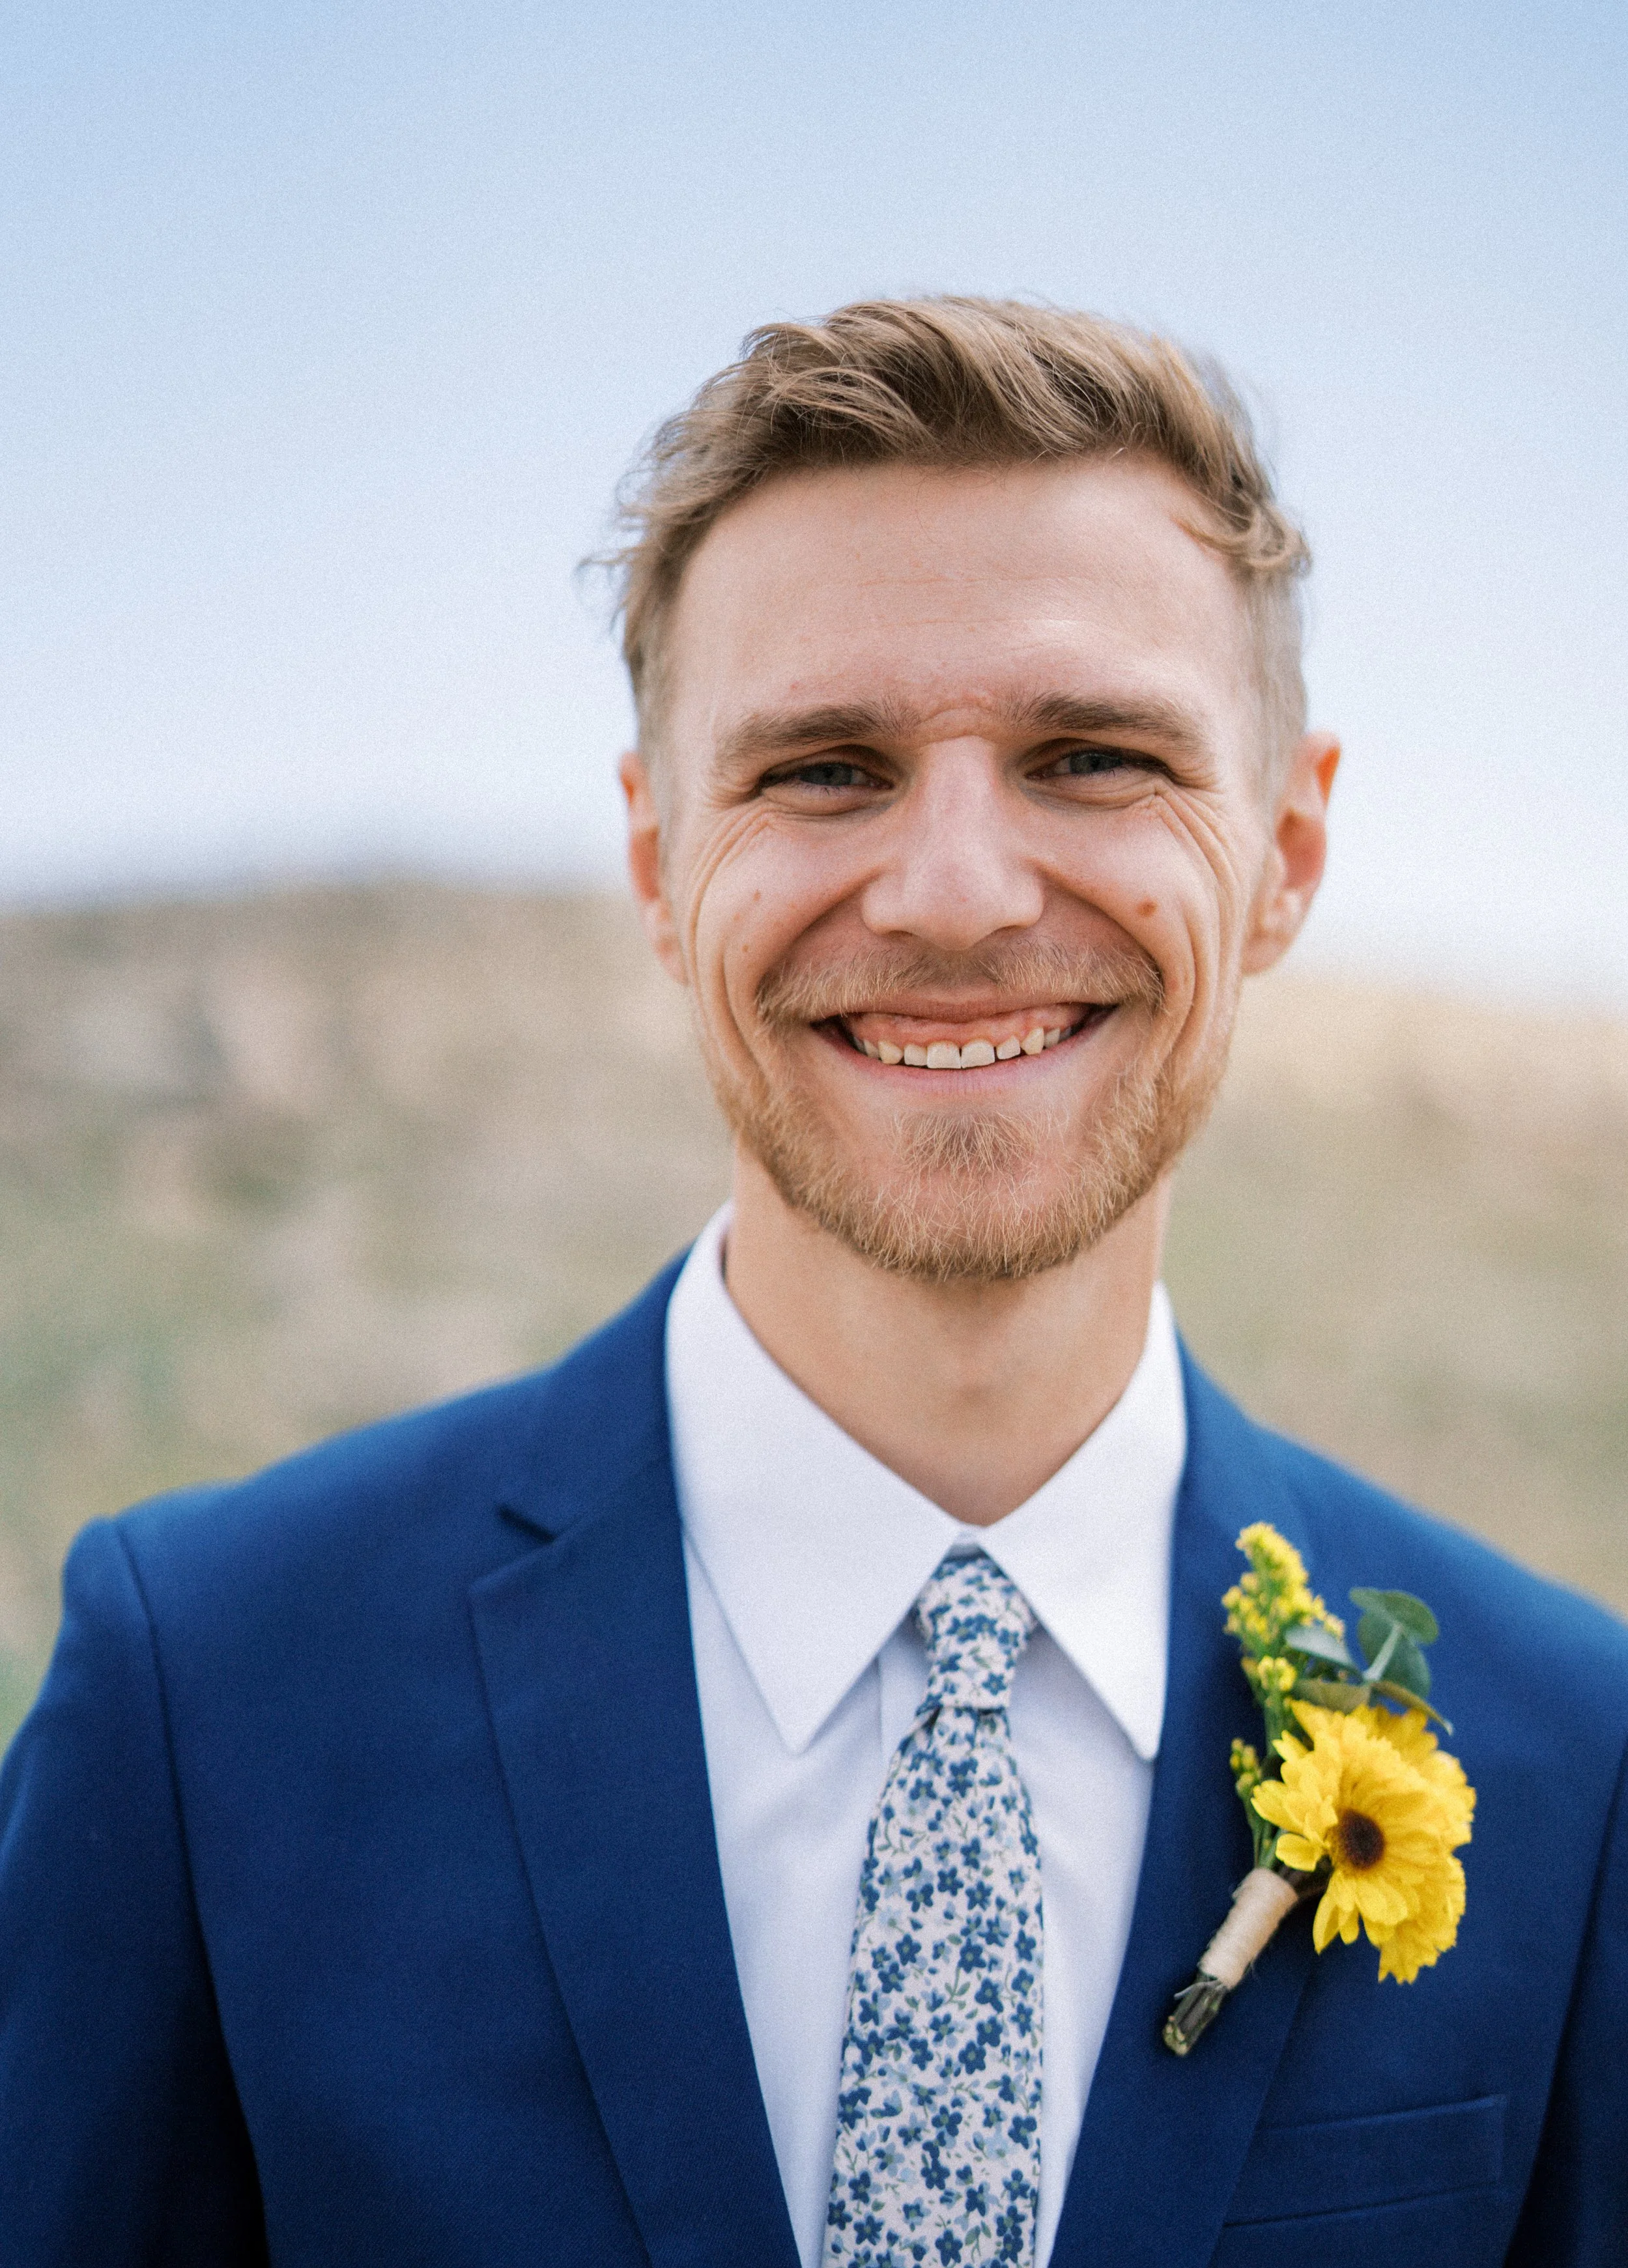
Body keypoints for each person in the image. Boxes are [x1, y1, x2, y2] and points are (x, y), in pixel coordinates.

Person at [1, 298, 1623, 2268]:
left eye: (1093, 756)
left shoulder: (1571, 1762)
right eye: (828, 771)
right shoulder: (209, 1701)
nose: (955, 890)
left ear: (1284, 853)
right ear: (659, 858)